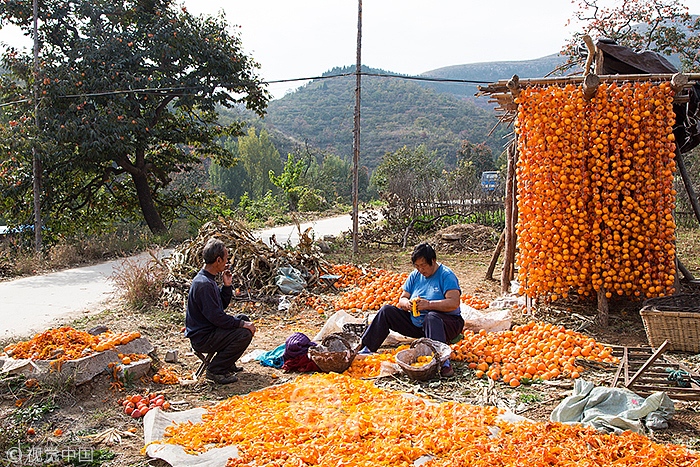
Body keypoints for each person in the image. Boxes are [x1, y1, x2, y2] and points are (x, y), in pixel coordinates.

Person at [360, 243, 463, 377]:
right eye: (417, 266)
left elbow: (454, 303)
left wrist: (429, 304)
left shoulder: (446, 275)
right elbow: (402, 298)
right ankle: (366, 348)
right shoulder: (415, 276)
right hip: (419, 325)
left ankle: (443, 363)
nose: (420, 269)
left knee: (431, 317)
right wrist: (406, 304)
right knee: (386, 311)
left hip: (446, 324)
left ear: (433, 261)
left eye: (423, 265)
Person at [185, 237, 256, 384]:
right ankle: (215, 370)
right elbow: (217, 317)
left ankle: (227, 363)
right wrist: (242, 325)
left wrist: (227, 286)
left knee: (244, 318)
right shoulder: (204, 284)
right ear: (218, 260)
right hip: (203, 338)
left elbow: (220, 306)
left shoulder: (208, 279)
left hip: (209, 329)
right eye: (225, 259)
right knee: (244, 332)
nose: (226, 263)